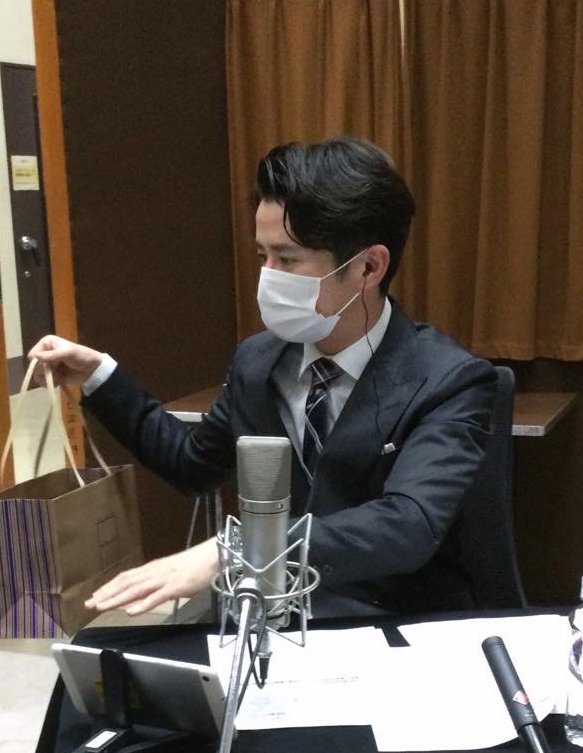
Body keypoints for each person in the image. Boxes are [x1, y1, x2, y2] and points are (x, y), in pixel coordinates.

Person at [29, 136, 496, 618]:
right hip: (270, 611)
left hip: (393, 620)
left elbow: (408, 524)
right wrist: (100, 377)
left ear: (368, 267)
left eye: (288, 260)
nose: (268, 277)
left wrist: (238, 549)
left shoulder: (447, 380)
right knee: (108, 658)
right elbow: (192, 463)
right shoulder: (259, 361)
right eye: (262, 256)